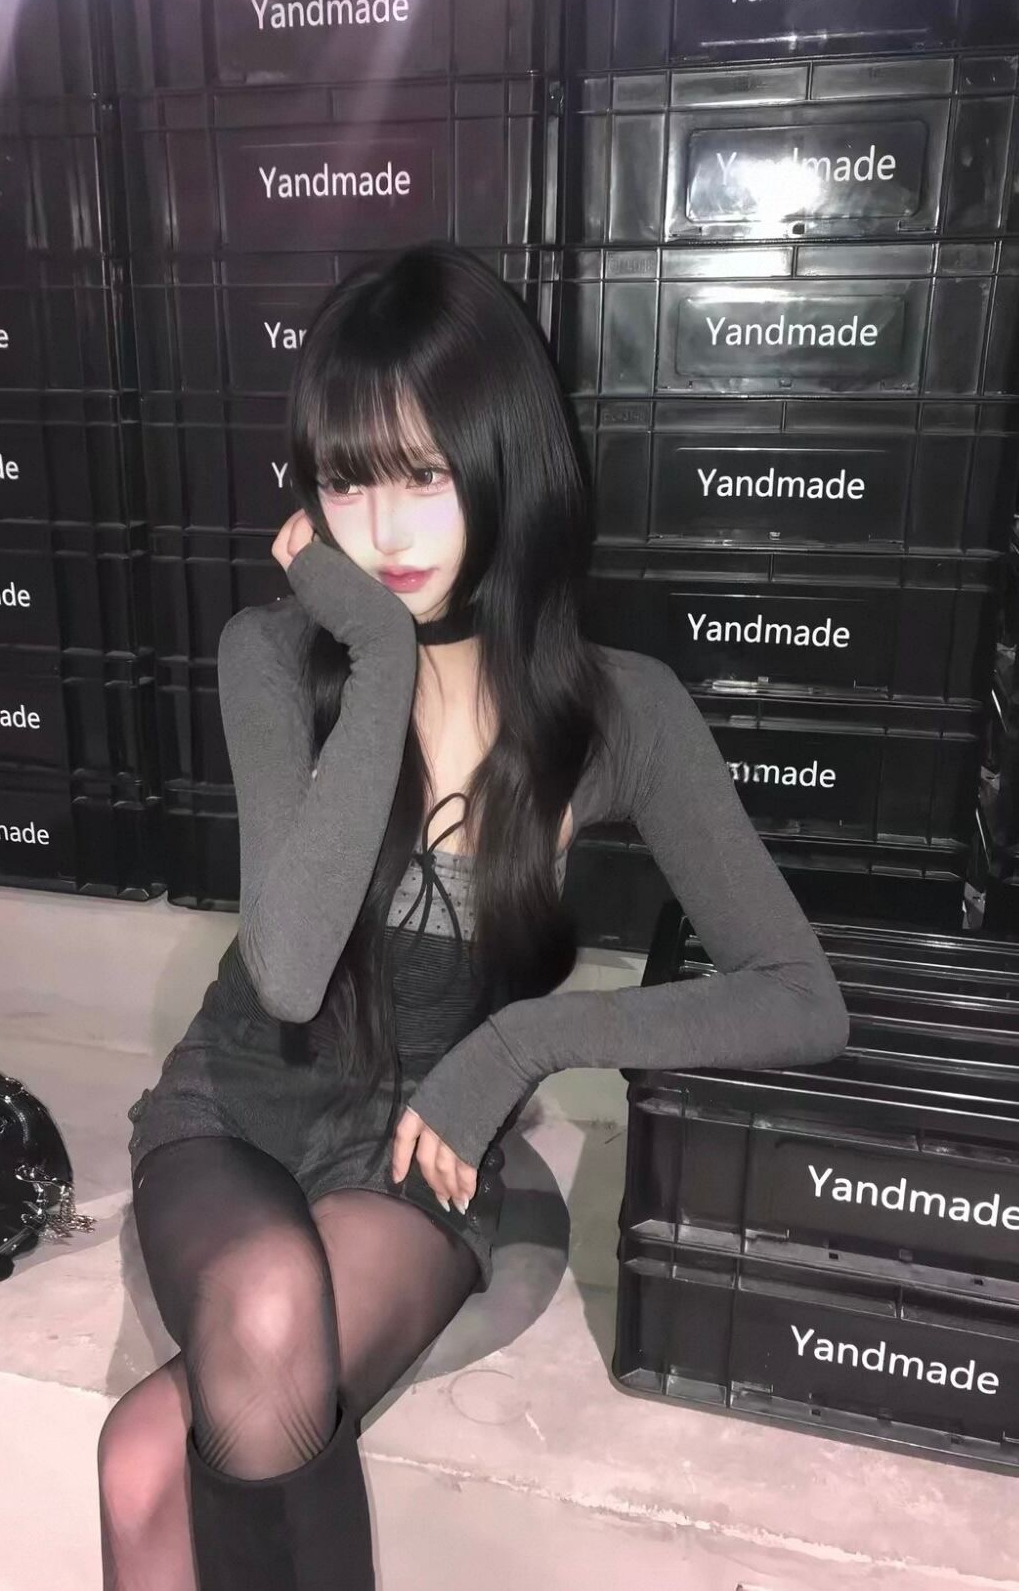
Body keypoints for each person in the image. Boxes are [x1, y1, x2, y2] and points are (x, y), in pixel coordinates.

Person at [97, 240, 851, 1589]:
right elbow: (286, 975)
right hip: (238, 1103)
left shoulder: (619, 712)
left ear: (505, 465)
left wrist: (519, 1047)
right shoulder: (272, 656)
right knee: (192, 1394)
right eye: (346, 483)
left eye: (423, 479)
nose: (381, 535)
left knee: (156, 1450)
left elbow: (799, 998)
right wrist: (379, 656)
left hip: (421, 1147)